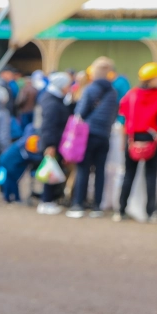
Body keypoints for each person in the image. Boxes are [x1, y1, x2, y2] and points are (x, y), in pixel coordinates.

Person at [115, 62, 157, 222]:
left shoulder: (131, 95)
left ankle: (121, 210)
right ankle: (150, 212)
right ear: (152, 79)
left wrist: (123, 140)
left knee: (128, 175)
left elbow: (121, 119)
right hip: (153, 139)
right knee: (151, 175)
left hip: (132, 139)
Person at [67, 57, 119, 218]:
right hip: (105, 135)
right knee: (100, 171)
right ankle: (97, 206)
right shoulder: (113, 92)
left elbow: (80, 113)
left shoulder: (90, 89)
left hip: (88, 135)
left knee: (83, 170)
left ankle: (78, 204)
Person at [35, 72, 74, 215]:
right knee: (50, 173)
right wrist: (50, 145)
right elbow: (48, 126)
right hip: (51, 142)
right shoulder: (52, 102)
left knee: (51, 171)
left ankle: (48, 200)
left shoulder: (51, 98)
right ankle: (47, 201)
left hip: (52, 141)